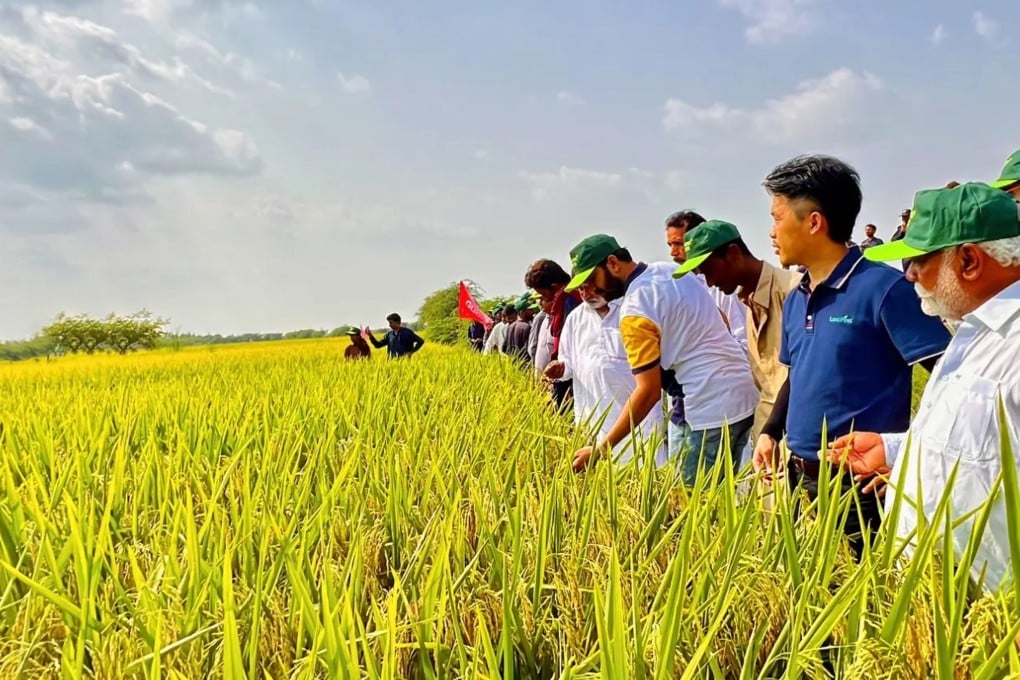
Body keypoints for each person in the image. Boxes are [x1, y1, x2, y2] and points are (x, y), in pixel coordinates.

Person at [752, 154, 952, 555]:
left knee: (870, 600)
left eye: (777, 217)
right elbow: (798, 374)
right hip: (800, 475)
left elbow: (949, 376)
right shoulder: (796, 298)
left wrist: (910, 451)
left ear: (814, 222)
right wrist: (771, 433)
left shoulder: (885, 290)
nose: (772, 232)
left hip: (860, 483)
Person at [826, 182, 1020, 592]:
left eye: (919, 260)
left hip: (993, 615)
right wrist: (896, 450)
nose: (909, 274)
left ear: (968, 260)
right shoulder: (973, 331)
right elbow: (978, 451)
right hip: (939, 597)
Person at [564, 234, 759, 484]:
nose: (588, 291)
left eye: (591, 280)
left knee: (694, 504)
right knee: (733, 491)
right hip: (741, 393)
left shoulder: (635, 310)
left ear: (613, 263)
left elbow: (648, 391)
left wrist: (601, 449)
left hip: (704, 406)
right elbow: (721, 318)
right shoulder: (670, 271)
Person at [673, 220, 801, 445]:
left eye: (709, 270)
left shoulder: (795, 292)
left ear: (733, 253)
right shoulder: (747, 301)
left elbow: (801, 375)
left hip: (797, 435)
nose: (710, 282)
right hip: (766, 436)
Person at [545, 281, 670, 467]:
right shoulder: (575, 319)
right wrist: (561, 369)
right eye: (581, 289)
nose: (586, 294)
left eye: (590, 286)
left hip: (640, 422)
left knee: (647, 478)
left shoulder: (633, 310)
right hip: (594, 419)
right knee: (604, 485)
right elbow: (568, 362)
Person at [663, 209, 749, 461]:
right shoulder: (676, 287)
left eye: (679, 243)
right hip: (683, 404)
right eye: (670, 244)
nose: (673, 252)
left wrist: (721, 330)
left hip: (720, 408)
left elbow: (746, 348)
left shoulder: (724, 289)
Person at [525, 259, 581, 410]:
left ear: (554, 287)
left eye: (543, 294)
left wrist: (565, 380)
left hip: (569, 375)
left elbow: (572, 346)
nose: (543, 299)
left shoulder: (569, 300)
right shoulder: (562, 300)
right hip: (562, 373)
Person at [503, 295, 534, 363]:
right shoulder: (526, 327)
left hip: (511, 364)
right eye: (529, 310)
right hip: (523, 365)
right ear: (521, 312)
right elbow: (529, 350)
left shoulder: (510, 326)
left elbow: (504, 348)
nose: (532, 312)